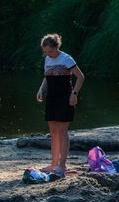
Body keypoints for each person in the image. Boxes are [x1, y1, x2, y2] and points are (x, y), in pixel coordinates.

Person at [35, 33, 85, 176]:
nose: (48, 54)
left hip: (65, 98)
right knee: (53, 132)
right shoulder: (47, 59)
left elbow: (80, 77)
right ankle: (53, 163)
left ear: (56, 47)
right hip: (51, 98)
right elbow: (47, 77)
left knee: (62, 131)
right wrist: (41, 90)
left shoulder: (66, 58)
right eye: (45, 52)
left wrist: (74, 94)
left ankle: (62, 165)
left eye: (50, 51)